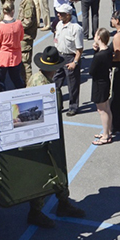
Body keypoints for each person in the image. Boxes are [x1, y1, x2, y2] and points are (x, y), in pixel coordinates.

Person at [25, 46, 87, 228]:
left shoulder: (38, 77)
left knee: (58, 170)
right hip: (41, 136)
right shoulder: (43, 84)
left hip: (43, 133)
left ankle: (63, 202)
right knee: (45, 172)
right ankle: (36, 212)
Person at [53, 3, 84, 116]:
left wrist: (75, 62)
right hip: (59, 56)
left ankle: (73, 106)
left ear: (68, 15)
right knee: (55, 82)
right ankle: (57, 104)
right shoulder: (59, 25)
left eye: (61, 13)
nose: (58, 15)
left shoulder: (76, 28)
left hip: (70, 57)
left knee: (72, 84)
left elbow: (79, 49)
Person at [89, 28, 114, 146]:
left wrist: (95, 53)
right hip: (105, 81)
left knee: (101, 109)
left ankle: (105, 135)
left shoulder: (99, 56)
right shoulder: (108, 51)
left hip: (99, 83)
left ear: (99, 37)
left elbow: (92, 71)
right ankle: (107, 131)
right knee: (107, 107)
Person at [0, 1, 25, 91]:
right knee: (17, 80)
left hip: (2, 57)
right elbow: (21, 37)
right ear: (13, 11)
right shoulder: (18, 24)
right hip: (15, 56)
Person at [16, 0, 38, 83]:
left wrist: (17, 26)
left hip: (26, 37)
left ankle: (29, 85)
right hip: (22, 37)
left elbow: (28, 21)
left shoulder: (28, 2)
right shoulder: (24, 0)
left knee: (25, 63)